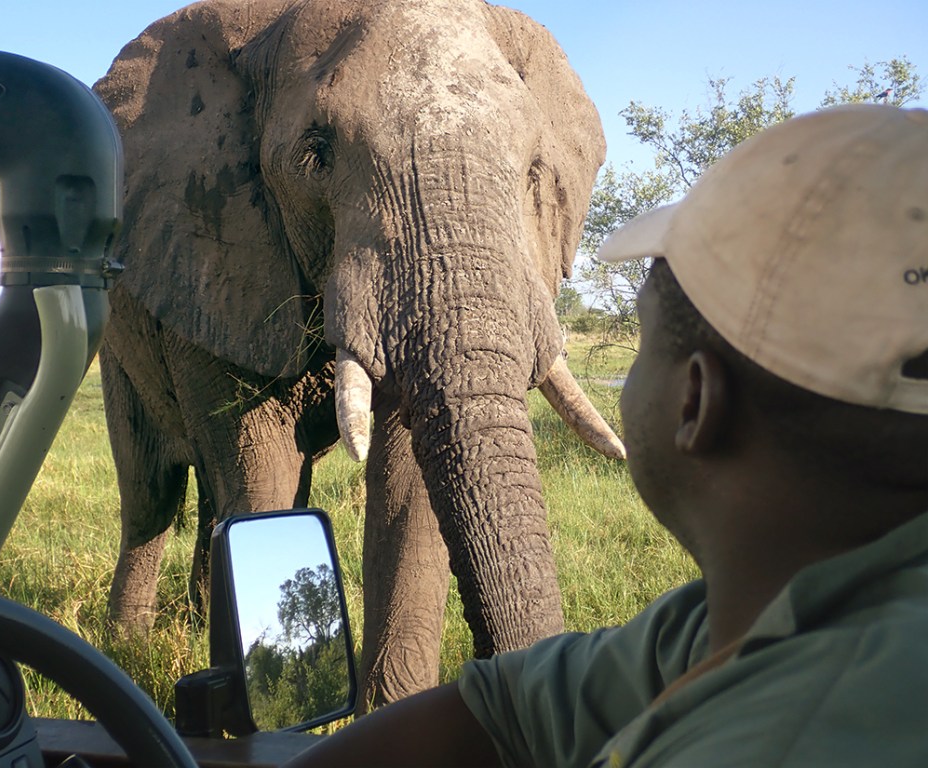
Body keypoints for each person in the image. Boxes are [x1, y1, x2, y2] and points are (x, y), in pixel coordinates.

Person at [283, 103, 928, 767]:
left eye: (646, 334)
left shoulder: (791, 738)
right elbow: (508, 708)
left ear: (696, 402)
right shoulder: (744, 614)